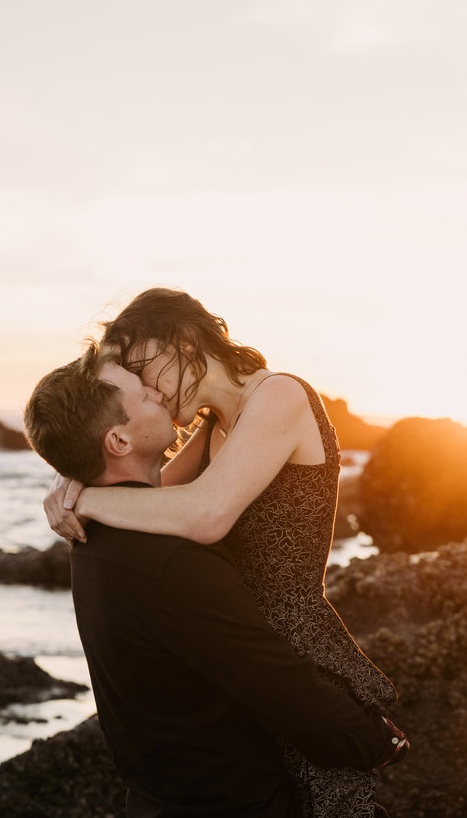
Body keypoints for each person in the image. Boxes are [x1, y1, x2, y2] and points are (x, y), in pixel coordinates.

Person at [44, 288, 400, 818]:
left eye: (146, 373)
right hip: (241, 667)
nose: (153, 394)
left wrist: (88, 498)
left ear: (184, 344)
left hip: (296, 657)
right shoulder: (214, 426)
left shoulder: (280, 396)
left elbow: (204, 515)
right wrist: (75, 476)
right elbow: (148, 499)